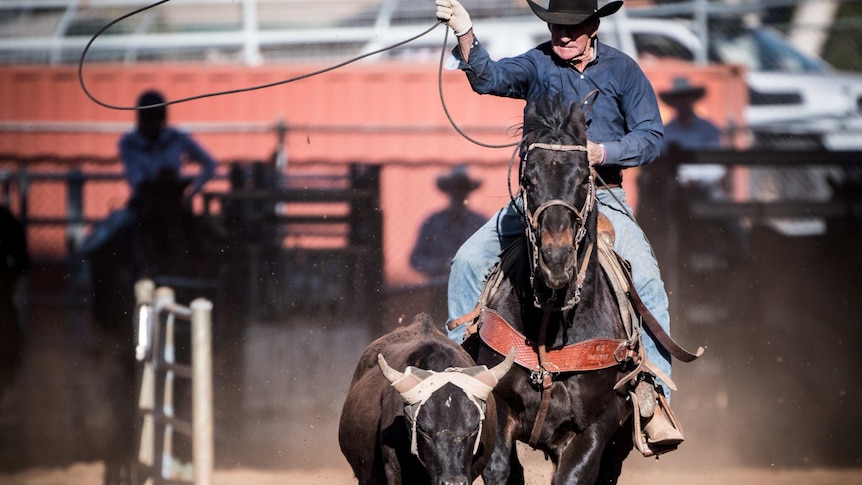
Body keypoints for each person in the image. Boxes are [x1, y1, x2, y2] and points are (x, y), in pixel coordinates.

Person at [435, 0, 683, 447]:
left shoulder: (624, 71)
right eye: (555, 26)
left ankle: (655, 395)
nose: (562, 35)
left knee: (644, 276)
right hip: (539, 200)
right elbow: (490, 77)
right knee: (467, 262)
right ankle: (464, 382)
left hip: (601, 196)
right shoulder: (537, 63)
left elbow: (650, 138)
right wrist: (466, 34)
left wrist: (600, 153)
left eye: (572, 28)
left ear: (593, 26)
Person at [119, 90, 216, 206]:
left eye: (157, 117)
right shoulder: (130, 143)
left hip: (175, 204)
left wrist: (193, 192)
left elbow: (209, 163)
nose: (153, 123)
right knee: (116, 223)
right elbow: (137, 181)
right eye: (149, 117)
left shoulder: (176, 137)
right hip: (143, 206)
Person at [410, 165, 487, 278]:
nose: (459, 194)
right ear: (449, 191)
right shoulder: (432, 223)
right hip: (438, 288)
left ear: (468, 192)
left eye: (463, 189)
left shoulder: (481, 224)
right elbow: (416, 259)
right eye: (455, 189)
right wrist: (436, 266)